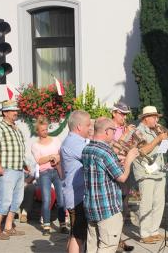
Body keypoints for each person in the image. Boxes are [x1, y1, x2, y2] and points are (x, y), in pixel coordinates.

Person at [82, 117, 139, 252]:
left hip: (91, 206)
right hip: (107, 208)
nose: (114, 135)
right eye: (113, 131)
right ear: (107, 131)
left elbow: (99, 169)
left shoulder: (87, 148)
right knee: (108, 247)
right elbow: (122, 177)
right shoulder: (106, 151)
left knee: (92, 246)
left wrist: (118, 160)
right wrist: (129, 159)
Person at [133, 106, 168, 244]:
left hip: (158, 170)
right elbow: (142, 151)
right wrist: (158, 139)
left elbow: (162, 151)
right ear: (145, 118)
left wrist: (164, 140)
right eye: (154, 117)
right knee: (146, 204)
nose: (157, 119)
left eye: (157, 117)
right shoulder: (138, 132)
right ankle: (144, 233)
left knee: (159, 203)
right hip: (145, 171)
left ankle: (154, 230)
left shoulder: (155, 131)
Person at [0, 100, 26, 240]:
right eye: (12, 110)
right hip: (6, 169)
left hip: (18, 169)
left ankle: (8, 227)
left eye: (16, 110)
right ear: (5, 112)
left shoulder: (16, 128)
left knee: (17, 200)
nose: (15, 112)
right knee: (4, 200)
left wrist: (25, 164)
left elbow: (18, 149)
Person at [61, 110, 91, 253]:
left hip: (77, 194)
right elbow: (92, 157)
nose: (90, 128)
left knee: (76, 233)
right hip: (77, 196)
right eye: (88, 125)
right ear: (79, 127)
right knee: (78, 236)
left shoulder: (74, 140)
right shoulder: (74, 142)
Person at [31, 116, 67, 235]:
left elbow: (61, 154)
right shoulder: (35, 145)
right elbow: (39, 161)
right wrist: (50, 157)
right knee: (47, 199)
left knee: (61, 199)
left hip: (56, 170)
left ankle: (63, 225)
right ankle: (46, 226)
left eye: (46, 129)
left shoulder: (56, 139)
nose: (45, 132)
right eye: (43, 130)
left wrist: (56, 158)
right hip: (45, 173)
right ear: (38, 131)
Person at [110, 101, 135, 252]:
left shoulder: (125, 128)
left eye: (125, 114)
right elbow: (113, 148)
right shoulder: (109, 128)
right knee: (116, 206)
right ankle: (114, 240)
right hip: (115, 168)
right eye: (121, 114)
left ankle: (118, 238)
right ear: (114, 113)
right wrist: (126, 134)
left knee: (124, 206)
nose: (124, 117)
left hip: (125, 167)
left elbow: (128, 147)